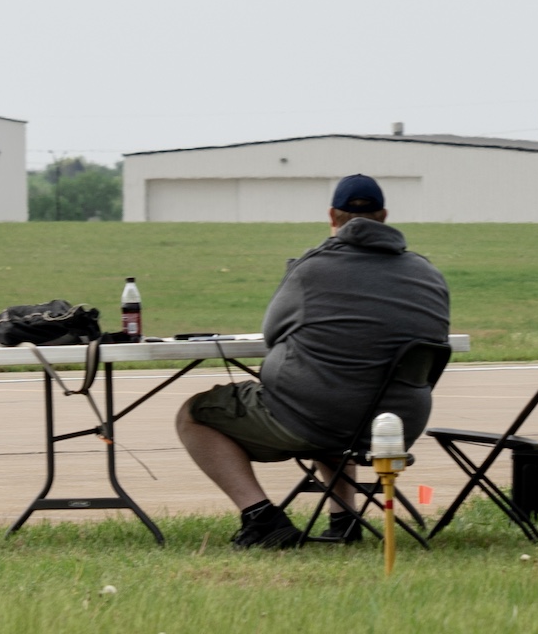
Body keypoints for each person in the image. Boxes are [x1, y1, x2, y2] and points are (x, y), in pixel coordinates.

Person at [175, 173, 450, 549]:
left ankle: (260, 517)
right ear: (384, 215)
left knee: (193, 414)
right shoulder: (428, 273)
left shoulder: (311, 270)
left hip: (322, 417)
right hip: (396, 425)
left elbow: (273, 333)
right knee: (336, 397)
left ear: (332, 217)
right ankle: (344, 519)